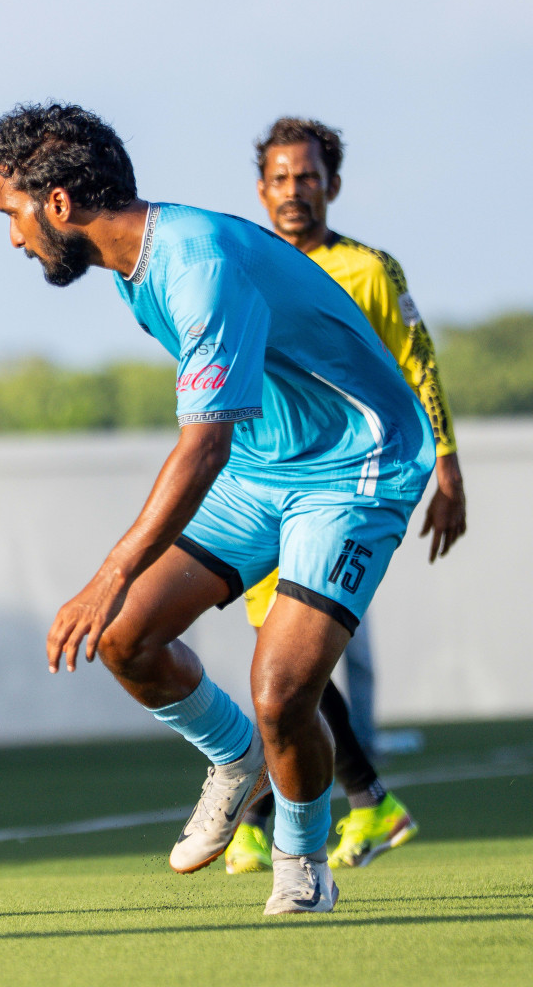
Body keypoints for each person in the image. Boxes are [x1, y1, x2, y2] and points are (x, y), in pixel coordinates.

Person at [0, 103, 435, 915]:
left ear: (57, 204)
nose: (12, 239)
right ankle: (236, 759)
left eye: (11, 213)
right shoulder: (134, 264)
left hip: (355, 466)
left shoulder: (196, 263)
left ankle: (301, 862)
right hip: (265, 468)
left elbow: (201, 448)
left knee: (282, 689)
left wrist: (108, 569)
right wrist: (117, 591)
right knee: (126, 636)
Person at [225, 117, 467, 874]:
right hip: (266, 479)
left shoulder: (368, 270)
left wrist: (449, 468)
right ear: (261, 189)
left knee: (286, 657)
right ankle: (347, 807)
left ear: (333, 184)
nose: (294, 191)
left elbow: (417, 365)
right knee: (285, 661)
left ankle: (296, 814)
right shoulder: (242, 266)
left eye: (307, 176)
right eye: (280, 178)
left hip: (343, 485)